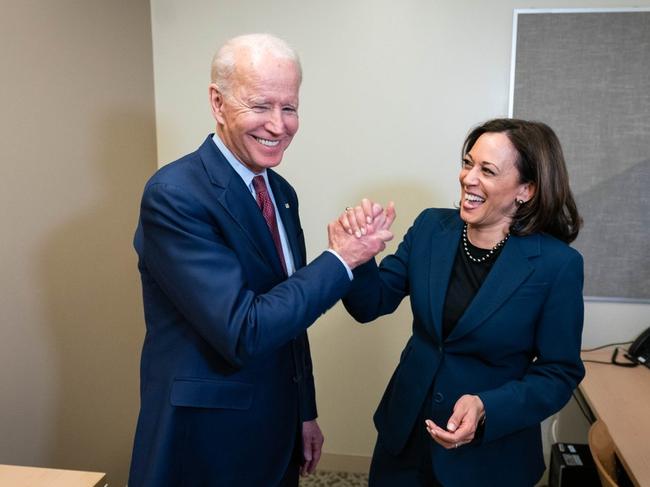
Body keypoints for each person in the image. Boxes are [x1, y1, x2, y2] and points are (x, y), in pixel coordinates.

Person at [128, 33, 393, 487]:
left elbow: (289, 314)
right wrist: (340, 259)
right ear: (218, 103)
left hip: (274, 428)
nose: (279, 125)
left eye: (289, 108)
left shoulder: (279, 192)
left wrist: (303, 411)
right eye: (260, 106)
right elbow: (244, 330)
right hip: (206, 440)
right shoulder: (174, 195)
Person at [337, 118, 585, 486]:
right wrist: (356, 257)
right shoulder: (430, 229)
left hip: (488, 457)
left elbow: (558, 373)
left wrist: (488, 407)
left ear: (526, 189)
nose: (468, 178)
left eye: (487, 170)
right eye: (468, 163)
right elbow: (368, 304)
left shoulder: (557, 265)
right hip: (405, 437)